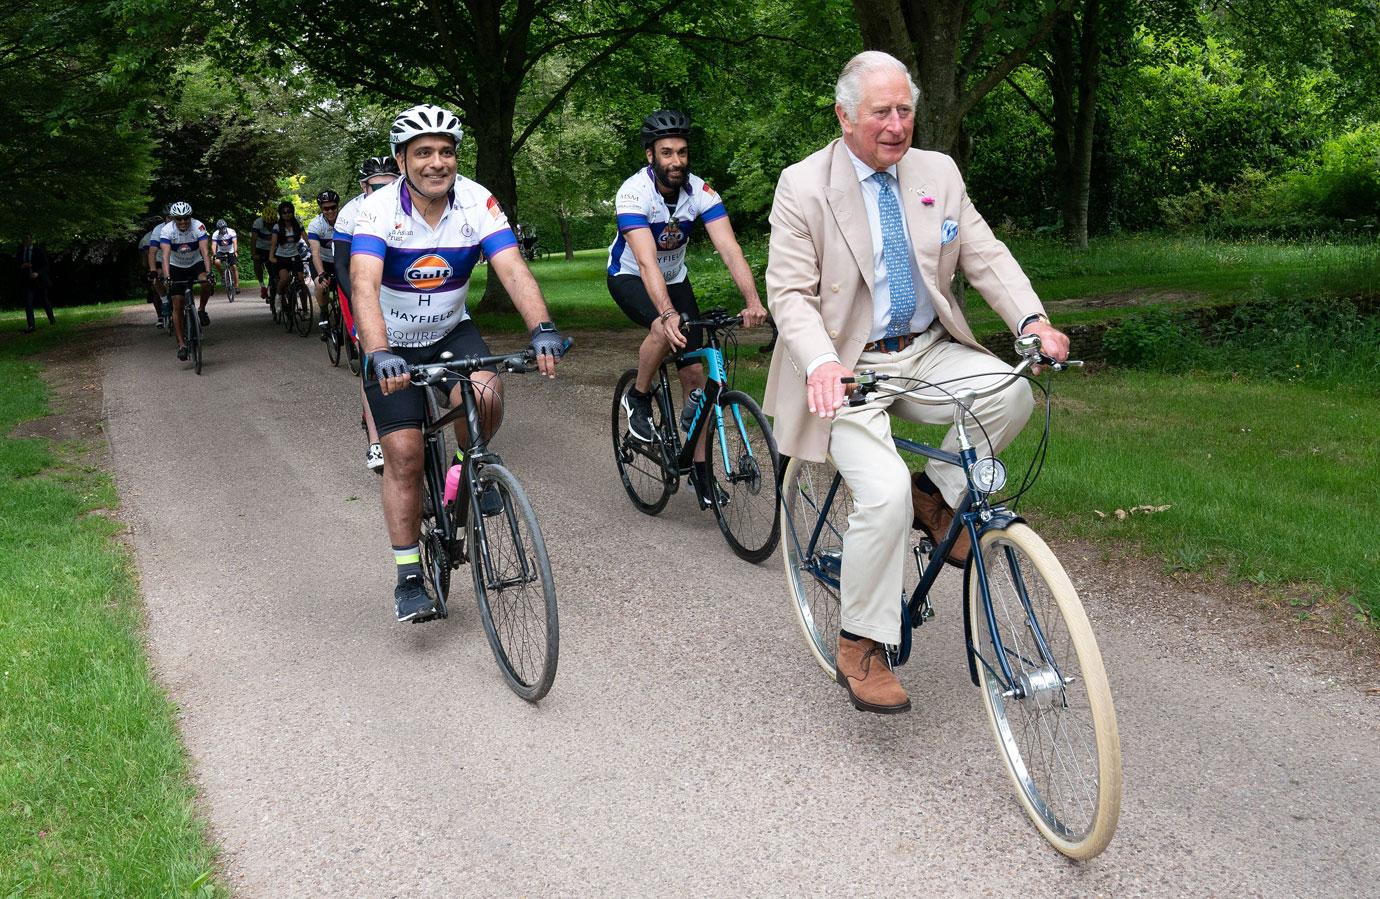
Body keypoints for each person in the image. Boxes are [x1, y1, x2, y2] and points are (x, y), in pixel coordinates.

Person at [764, 51, 1070, 715]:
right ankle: (862, 641)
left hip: (927, 349)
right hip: (846, 364)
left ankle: (938, 494)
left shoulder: (938, 172)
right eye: (882, 112)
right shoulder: (803, 185)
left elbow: (984, 253)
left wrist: (1032, 319)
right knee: (880, 494)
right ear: (845, 117)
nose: (897, 125)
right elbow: (789, 293)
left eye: (906, 110)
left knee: (1012, 389)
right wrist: (819, 361)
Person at [350, 103, 567, 622]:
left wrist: (541, 328)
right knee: (402, 452)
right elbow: (363, 284)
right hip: (392, 342)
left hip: (450, 330)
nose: (436, 162)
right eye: (423, 152)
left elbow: (512, 269)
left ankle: (463, 470)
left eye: (445, 152)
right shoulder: (377, 210)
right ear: (402, 159)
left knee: (488, 397)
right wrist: (379, 351)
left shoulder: (477, 202)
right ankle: (407, 576)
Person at [607, 108, 767, 508]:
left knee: (695, 373)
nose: (675, 161)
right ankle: (639, 397)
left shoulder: (702, 192)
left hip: (675, 278)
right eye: (666, 153)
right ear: (651, 156)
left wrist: (753, 301)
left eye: (681, 152)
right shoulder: (633, 194)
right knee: (664, 330)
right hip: (630, 276)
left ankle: (699, 473)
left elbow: (729, 249)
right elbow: (645, 261)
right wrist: (665, 313)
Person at [333, 155, 399, 473]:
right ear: (363, 186)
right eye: (377, 187)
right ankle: (375, 441)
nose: (385, 191)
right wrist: (361, 303)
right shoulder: (350, 213)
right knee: (371, 354)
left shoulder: (408, 204)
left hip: (394, 284)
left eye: (392, 184)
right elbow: (342, 267)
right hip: (358, 285)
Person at [157, 202, 213, 360]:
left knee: (206, 282)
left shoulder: (198, 226)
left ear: (191, 216)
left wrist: (209, 272)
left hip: (195, 263)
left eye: (186, 218)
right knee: (177, 303)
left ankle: (201, 310)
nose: (183, 222)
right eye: (179, 219)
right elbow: (165, 256)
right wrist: (167, 277)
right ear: (174, 219)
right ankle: (182, 344)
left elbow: (204, 251)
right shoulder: (167, 230)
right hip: (176, 267)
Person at [307, 189, 339, 337]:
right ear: (321, 209)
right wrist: (321, 273)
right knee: (321, 285)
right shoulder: (316, 225)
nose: (330, 211)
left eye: (333, 207)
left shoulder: (346, 220)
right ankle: (324, 314)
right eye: (326, 208)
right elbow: (315, 253)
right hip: (322, 261)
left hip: (340, 260)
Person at [267, 201, 306, 309]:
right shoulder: (277, 226)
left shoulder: (297, 224)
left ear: (292, 212)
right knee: (284, 279)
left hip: (295, 255)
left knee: (301, 282)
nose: (287, 214)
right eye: (284, 213)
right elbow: (274, 243)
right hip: (282, 257)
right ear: (281, 214)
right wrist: (271, 257)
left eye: (289, 212)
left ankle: (305, 309)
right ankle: (278, 297)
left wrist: (314, 252)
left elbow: (306, 240)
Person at [15, 234, 54, 332]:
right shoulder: (20, 253)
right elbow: (15, 267)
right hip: (26, 281)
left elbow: (46, 266)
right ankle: (31, 325)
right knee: (28, 303)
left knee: (44, 300)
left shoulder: (38, 251)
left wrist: (37, 273)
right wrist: (22, 266)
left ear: (31, 240)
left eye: (28, 239)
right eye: (24, 239)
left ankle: (52, 319)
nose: (26, 241)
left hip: (39, 281)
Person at [138, 215, 167, 326]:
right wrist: (149, 269)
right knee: (155, 288)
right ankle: (160, 316)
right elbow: (145, 256)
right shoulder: (147, 238)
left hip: (168, 261)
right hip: (155, 263)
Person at [211, 219, 239, 299]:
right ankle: (223, 276)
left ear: (225, 227)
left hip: (230, 251)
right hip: (221, 251)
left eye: (223, 228)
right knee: (216, 262)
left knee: (234, 266)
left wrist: (235, 251)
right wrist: (214, 254)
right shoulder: (215, 234)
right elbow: (213, 245)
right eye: (220, 228)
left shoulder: (231, 232)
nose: (222, 230)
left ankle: (237, 286)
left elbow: (235, 242)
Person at [252, 206, 274, 300]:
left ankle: (271, 286)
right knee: (257, 265)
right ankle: (262, 286)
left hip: (273, 248)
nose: (270, 225)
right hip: (260, 247)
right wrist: (253, 254)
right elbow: (253, 239)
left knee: (273, 270)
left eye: (272, 223)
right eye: (267, 223)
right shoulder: (258, 222)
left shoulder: (278, 222)